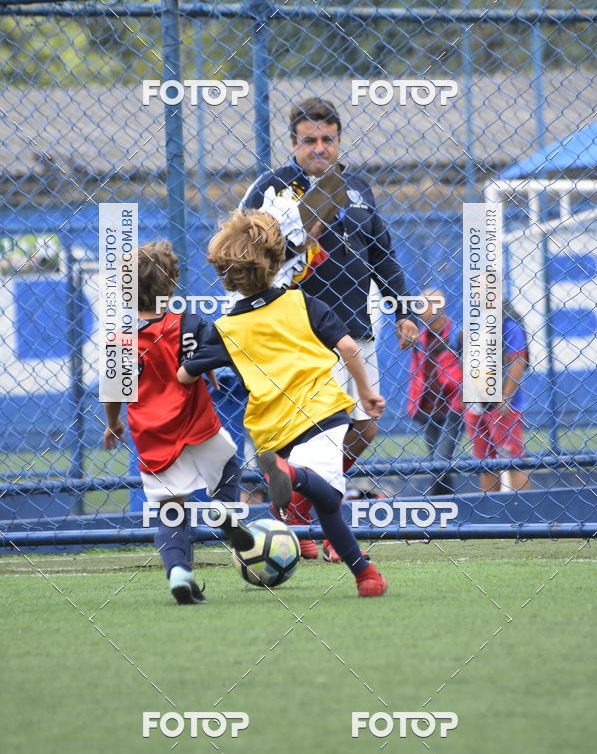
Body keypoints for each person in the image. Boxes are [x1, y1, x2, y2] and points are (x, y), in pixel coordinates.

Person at [177, 210, 389, 597]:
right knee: (329, 498)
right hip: (321, 412)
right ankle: (360, 567)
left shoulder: (225, 329)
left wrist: (197, 368)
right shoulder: (301, 303)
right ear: (277, 262)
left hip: (271, 431)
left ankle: (354, 565)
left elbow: (184, 375)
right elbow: (347, 346)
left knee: (323, 503)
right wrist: (366, 392)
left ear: (226, 276)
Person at [242, 97, 418, 559]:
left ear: (338, 140)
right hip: (297, 332)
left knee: (363, 427)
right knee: (317, 432)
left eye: (328, 139)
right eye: (309, 141)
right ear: (293, 144)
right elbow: (242, 253)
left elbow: (382, 253)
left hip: (356, 329)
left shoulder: (357, 187)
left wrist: (402, 311)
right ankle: (321, 524)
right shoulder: (271, 187)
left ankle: (302, 506)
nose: (319, 148)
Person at [102, 240, 253, 606]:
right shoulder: (188, 323)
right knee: (229, 466)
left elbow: (113, 395)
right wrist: (208, 374)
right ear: (172, 282)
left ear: (126, 293)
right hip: (197, 424)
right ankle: (224, 511)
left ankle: (179, 573)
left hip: (154, 438)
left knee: (171, 511)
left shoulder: (121, 342)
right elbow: (206, 354)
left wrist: (114, 423)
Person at [464, 301, 531, 492]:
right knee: (485, 465)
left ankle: (526, 514)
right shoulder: (476, 321)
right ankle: (490, 515)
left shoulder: (508, 321)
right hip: (476, 402)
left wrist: (505, 396)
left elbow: (518, 359)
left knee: (513, 461)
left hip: (500, 404)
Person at [407, 288, 463, 495]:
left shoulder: (456, 333)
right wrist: (414, 401)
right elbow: (416, 370)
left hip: (453, 406)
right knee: (436, 462)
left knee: (440, 461)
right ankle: (448, 507)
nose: (421, 311)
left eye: (426, 305)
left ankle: (436, 505)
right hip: (428, 408)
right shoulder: (420, 337)